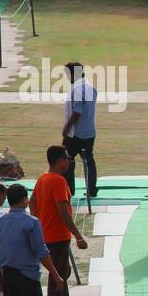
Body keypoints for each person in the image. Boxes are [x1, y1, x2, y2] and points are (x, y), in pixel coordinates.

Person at [30, 146, 88, 296]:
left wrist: (40, 223)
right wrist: (78, 236)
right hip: (57, 237)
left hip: (49, 235)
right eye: (67, 158)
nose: (69, 162)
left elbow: (32, 203)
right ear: (59, 160)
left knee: (64, 273)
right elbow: (63, 212)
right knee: (58, 279)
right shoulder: (58, 181)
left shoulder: (43, 178)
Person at [61, 61, 99, 198]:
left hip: (75, 134)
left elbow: (77, 111)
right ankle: (91, 189)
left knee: (67, 162)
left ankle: (69, 190)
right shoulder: (90, 87)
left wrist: (66, 128)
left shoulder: (78, 89)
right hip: (89, 131)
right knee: (89, 161)